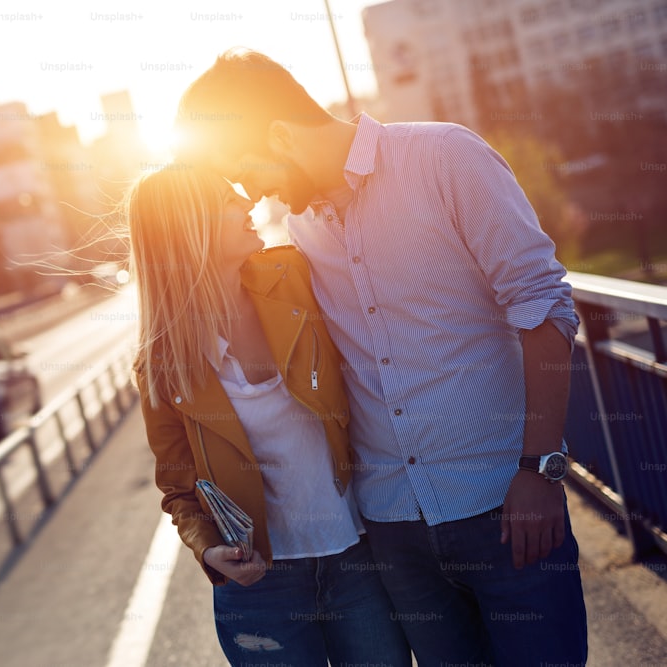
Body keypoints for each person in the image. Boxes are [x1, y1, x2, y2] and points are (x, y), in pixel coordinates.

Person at [172, 48, 587, 667]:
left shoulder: (446, 157)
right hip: (395, 533)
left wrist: (541, 468)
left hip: (506, 505)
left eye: (246, 169)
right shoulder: (301, 232)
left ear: (280, 134)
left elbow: (543, 306)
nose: (253, 192)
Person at [129, 165, 412, 666]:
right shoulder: (162, 364)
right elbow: (178, 489)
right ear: (188, 229)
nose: (247, 204)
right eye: (225, 198)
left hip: (356, 558)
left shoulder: (295, 280)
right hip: (259, 587)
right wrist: (208, 552)